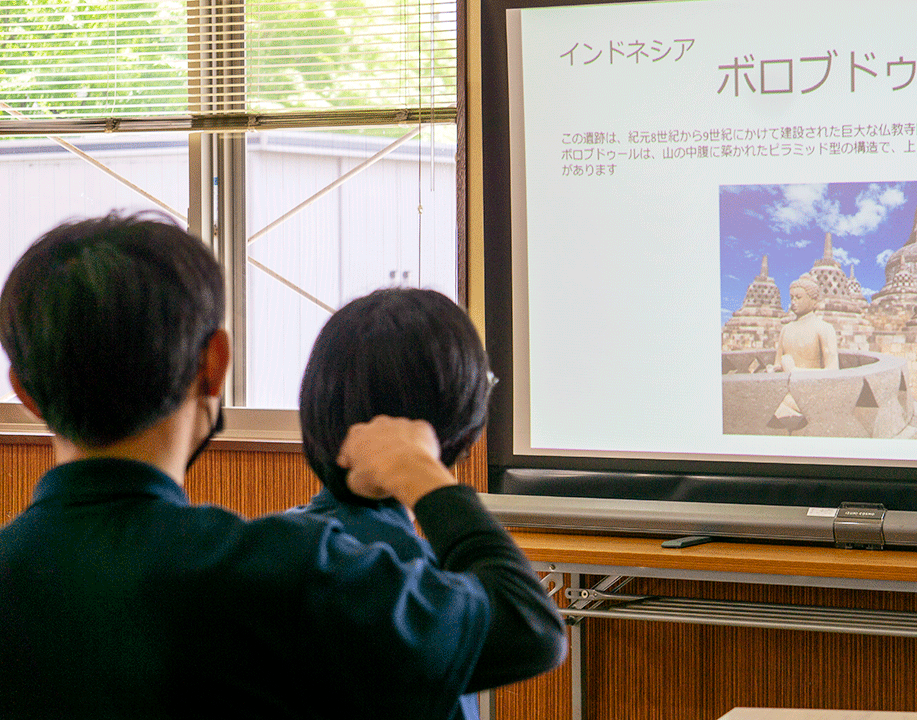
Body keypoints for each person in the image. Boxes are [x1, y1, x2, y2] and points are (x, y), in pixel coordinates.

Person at [0, 211, 565, 719]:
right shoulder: (282, 574)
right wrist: (419, 472)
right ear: (214, 366)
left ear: (24, 392)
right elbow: (527, 626)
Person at [293, 287, 526, 719]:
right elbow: (531, 626)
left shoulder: (280, 542)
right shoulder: (414, 588)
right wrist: (420, 472)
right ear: (461, 420)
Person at [774, 276, 840, 371]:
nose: (793, 302)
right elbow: (777, 364)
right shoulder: (785, 329)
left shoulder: (824, 328)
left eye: (799, 297)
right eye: (791, 297)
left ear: (814, 300)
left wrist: (794, 371)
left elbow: (832, 370)